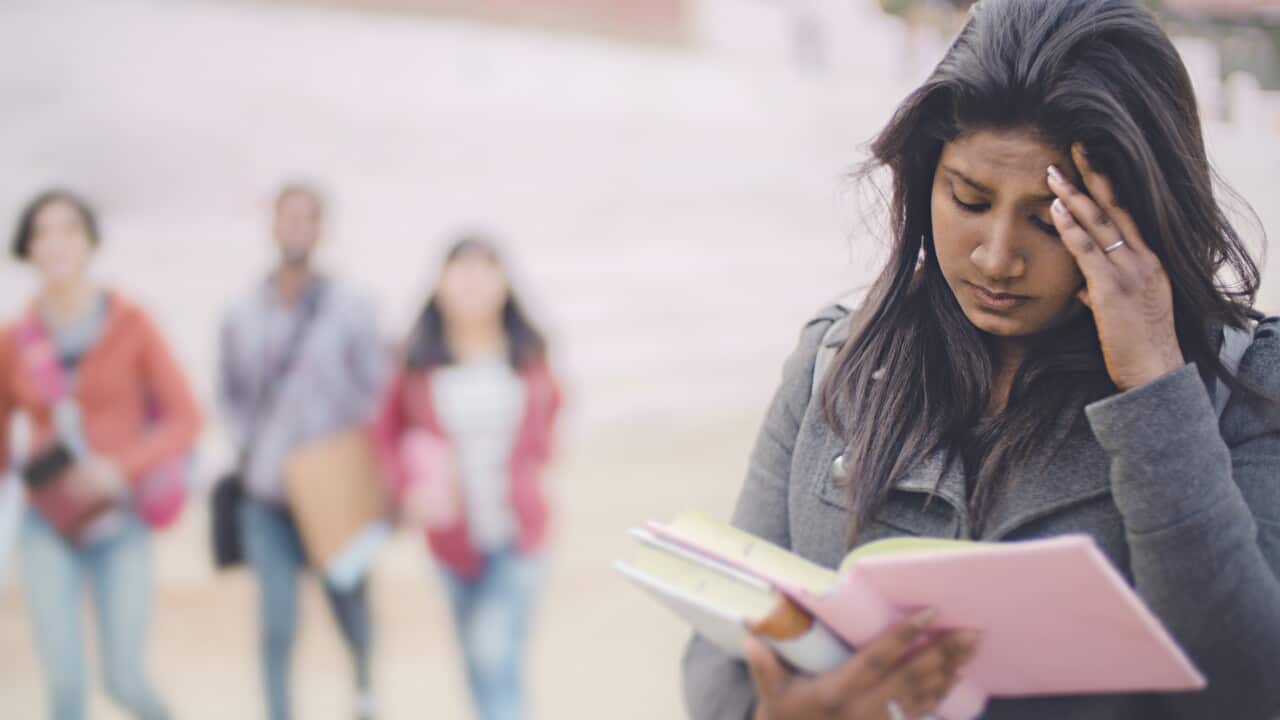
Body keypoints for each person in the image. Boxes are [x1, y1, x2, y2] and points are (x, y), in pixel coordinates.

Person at [682, 1, 1280, 718]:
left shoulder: (1243, 388)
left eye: (1049, 221)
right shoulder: (833, 361)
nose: (997, 259)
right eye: (968, 200)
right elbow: (721, 664)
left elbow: (1249, 690)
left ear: (1141, 213)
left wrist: (1154, 382)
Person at [0, 189, 202, 720]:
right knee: (65, 687)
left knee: (125, 680)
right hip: (47, 523)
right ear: (27, 247)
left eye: (69, 229)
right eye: (42, 232)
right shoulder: (15, 338)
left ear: (90, 242)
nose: (55, 242)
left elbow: (186, 418)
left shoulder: (132, 323)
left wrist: (122, 467)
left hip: (121, 521)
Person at [217, 183, 388, 720]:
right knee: (277, 622)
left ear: (321, 228)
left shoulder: (352, 306)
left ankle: (365, 699)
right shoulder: (241, 311)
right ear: (272, 224)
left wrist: (367, 468)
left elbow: (378, 389)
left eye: (307, 217)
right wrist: (249, 449)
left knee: (352, 609)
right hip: (267, 492)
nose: (296, 226)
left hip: (335, 483)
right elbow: (229, 394)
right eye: (287, 216)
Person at [373, 235, 561, 720]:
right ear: (440, 284)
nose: (472, 281)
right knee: (478, 666)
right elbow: (385, 432)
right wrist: (407, 486)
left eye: (484, 270)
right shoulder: (417, 362)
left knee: (494, 652)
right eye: (460, 270)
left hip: (519, 536)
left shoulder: (528, 355)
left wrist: (533, 461)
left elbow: (551, 417)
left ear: (503, 284)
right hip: (451, 541)